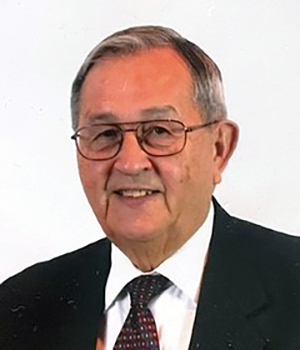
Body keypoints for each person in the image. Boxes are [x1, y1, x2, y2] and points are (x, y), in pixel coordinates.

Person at [0, 25, 299, 350]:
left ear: (219, 149)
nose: (129, 163)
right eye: (105, 134)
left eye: (159, 131)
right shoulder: (20, 305)